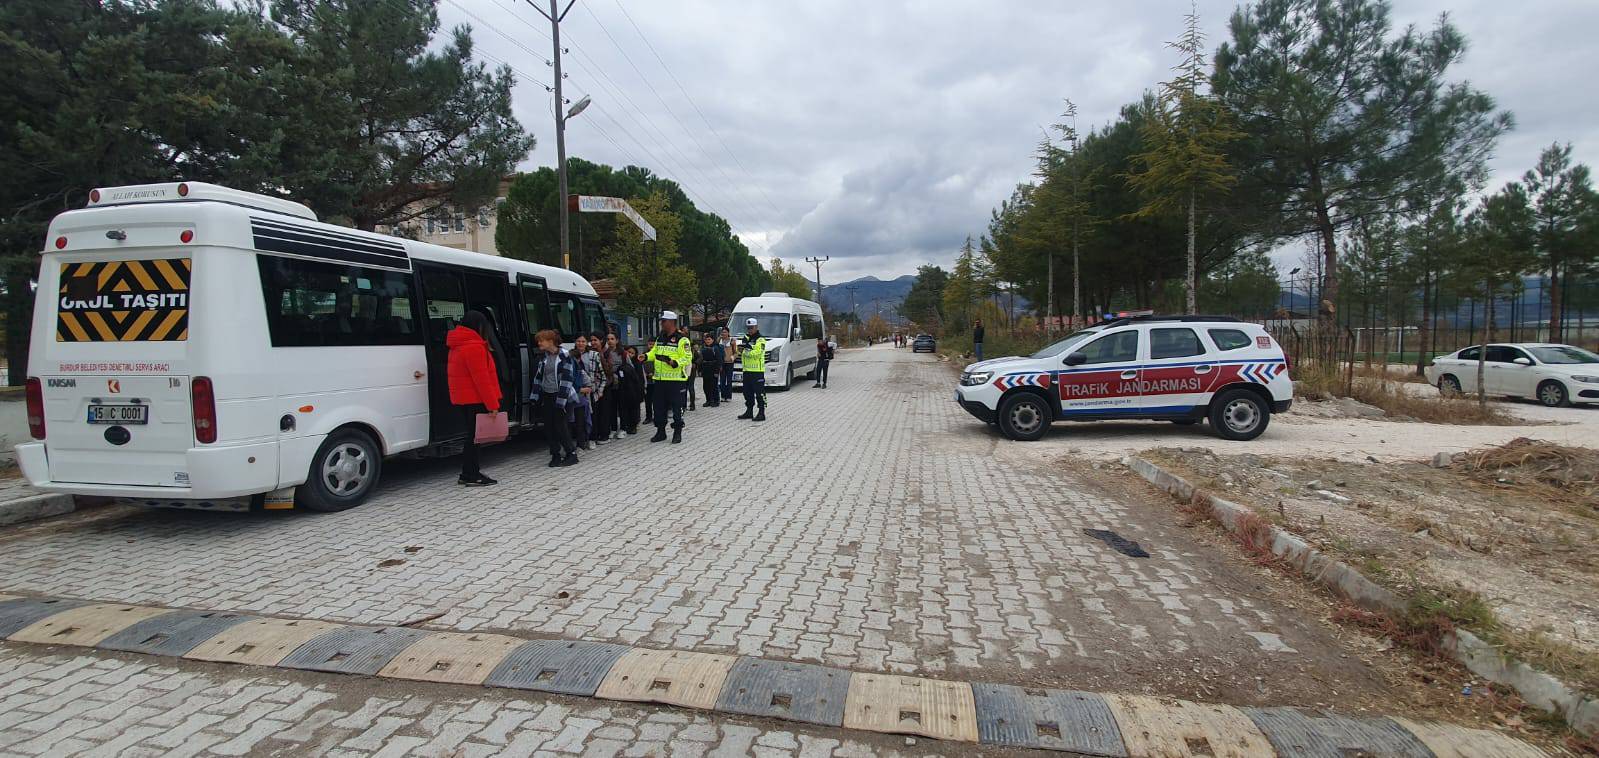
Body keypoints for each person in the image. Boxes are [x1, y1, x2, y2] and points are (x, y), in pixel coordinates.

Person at [446, 311, 502, 486]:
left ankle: (468, 472)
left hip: (464, 398)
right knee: (475, 439)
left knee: (472, 437)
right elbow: (482, 379)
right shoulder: (475, 346)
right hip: (475, 399)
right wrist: (492, 404)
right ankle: (471, 474)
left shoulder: (458, 344)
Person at [529, 329, 579, 467]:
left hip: (561, 395)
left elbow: (567, 380)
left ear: (550, 341)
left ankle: (571, 453)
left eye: (541, 340)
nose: (538, 343)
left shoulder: (565, 356)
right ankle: (555, 454)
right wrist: (534, 397)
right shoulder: (544, 357)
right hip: (547, 394)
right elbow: (539, 377)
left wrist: (561, 402)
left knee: (560, 426)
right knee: (549, 427)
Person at [646, 311, 692, 443]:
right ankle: (661, 432)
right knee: (659, 407)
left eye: (663, 321)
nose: (661, 323)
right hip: (660, 379)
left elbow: (687, 357)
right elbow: (654, 352)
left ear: (671, 322)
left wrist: (675, 362)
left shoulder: (682, 339)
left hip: (676, 380)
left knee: (677, 407)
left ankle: (677, 432)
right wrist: (646, 357)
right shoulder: (660, 338)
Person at [736, 317, 768, 422]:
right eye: (748, 328)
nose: (750, 330)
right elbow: (740, 350)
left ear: (756, 327)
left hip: (757, 371)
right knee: (747, 392)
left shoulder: (761, 339)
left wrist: (746, 351)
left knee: (759, 393)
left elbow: (757, 353)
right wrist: (743, 349)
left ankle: (761, 412)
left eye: (752, 327)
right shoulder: (745, 338)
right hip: (746, 370)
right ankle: (749, 411)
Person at [599, 333, 626, 440]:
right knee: (611, 408)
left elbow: (630, 368)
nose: (610, 341)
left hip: (621, 385)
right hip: (610, 385)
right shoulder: (604, 353)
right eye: (608, 339)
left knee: (622, 407)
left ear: (617, 340)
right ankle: (613, 428)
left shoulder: (623, 353)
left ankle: (623, 428)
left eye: (612, 339)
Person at [619, 345, 644, 435]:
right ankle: (626, 424)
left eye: (632, 353)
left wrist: (641, 390)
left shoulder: (637, 364)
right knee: (625, 408)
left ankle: (634, 425)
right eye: (628, 352)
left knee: (634, 408)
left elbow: (641, 378)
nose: (630, 354)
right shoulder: (623, 364)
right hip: (625, 390)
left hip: (635, 390)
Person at [698, 334, 721, 407]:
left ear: (713, 340)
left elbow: (719, 360)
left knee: (714, 386)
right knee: (706, 386)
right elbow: (701, 360)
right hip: (705, 369)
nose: (707, 341)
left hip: (713, 369)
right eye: (706, 339)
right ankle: (708, 400)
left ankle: (716, 401)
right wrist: (700, 370)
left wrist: (717, 371)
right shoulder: (703, 348)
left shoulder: (716, 348)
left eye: (709, 339)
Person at [641, 337, 656, 424]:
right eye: (650, 344)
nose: (651, 346)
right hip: (647, 381)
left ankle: (657, 416)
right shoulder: (644, 354)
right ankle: (648, 417)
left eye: (653, 344)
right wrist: (645, 375)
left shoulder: (658, 354)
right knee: (648, 400)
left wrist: (654, 374)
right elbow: (641, 366)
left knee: (656, 400)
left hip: (656, 380)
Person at [718, 327, 735, 402]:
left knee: (729, 380)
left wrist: (732, 357)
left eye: (725, 332)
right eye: (722, 332)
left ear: (728, 333)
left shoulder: (732, 341)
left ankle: (729, 396)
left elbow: (736, 352)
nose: (723, 333)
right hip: (722, 363)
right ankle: (723, 396)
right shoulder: (719, 340)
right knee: (722, 380)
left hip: (729, 363)